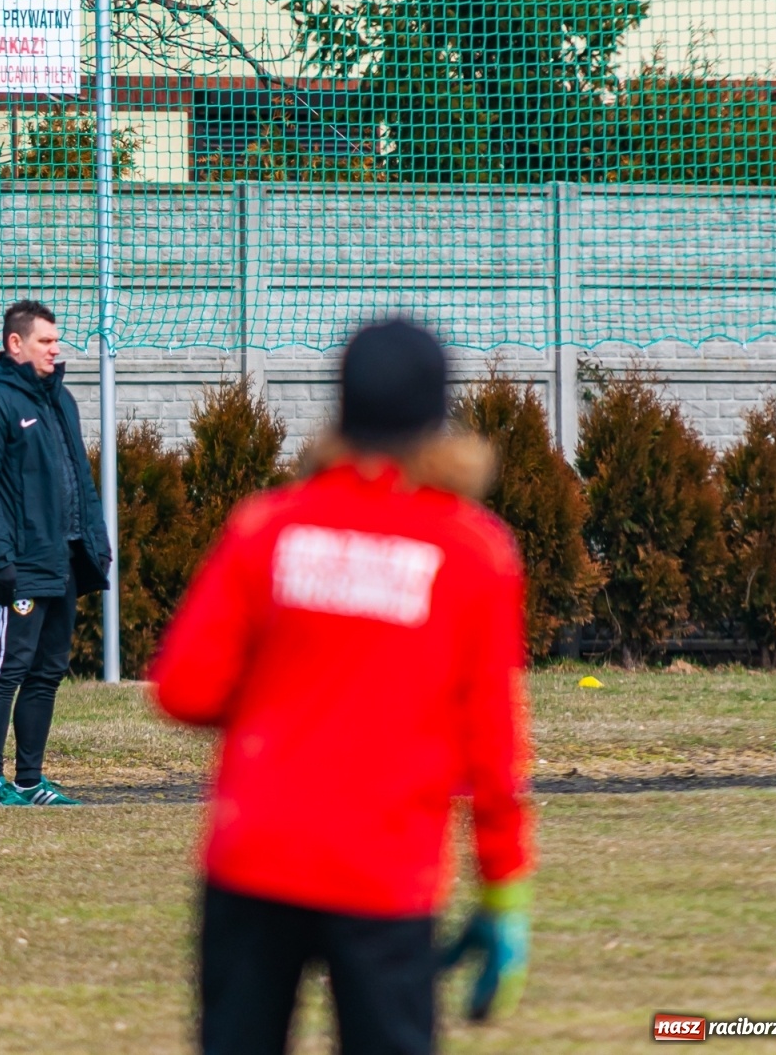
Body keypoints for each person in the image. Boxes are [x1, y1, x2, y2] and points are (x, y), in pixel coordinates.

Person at [149, 320, 535, 1055]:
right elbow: (494, 744)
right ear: (437, 416)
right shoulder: (473, 551)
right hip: (386, 868)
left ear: (341, 406)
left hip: (255, 857)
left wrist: (285, 690)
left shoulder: (267, 527)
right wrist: (504, 888)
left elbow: (184, 690)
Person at [0, 299, 112, 806]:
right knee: (8, 667)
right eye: (46, 341)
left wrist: (96, 542)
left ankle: (30, 779)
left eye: (56, 339)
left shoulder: (60, 400)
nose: (55, 348)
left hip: (62, 559)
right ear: (15, 344)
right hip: (20, 564)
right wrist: (0, 559)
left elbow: (78, 478)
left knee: (48, 670)